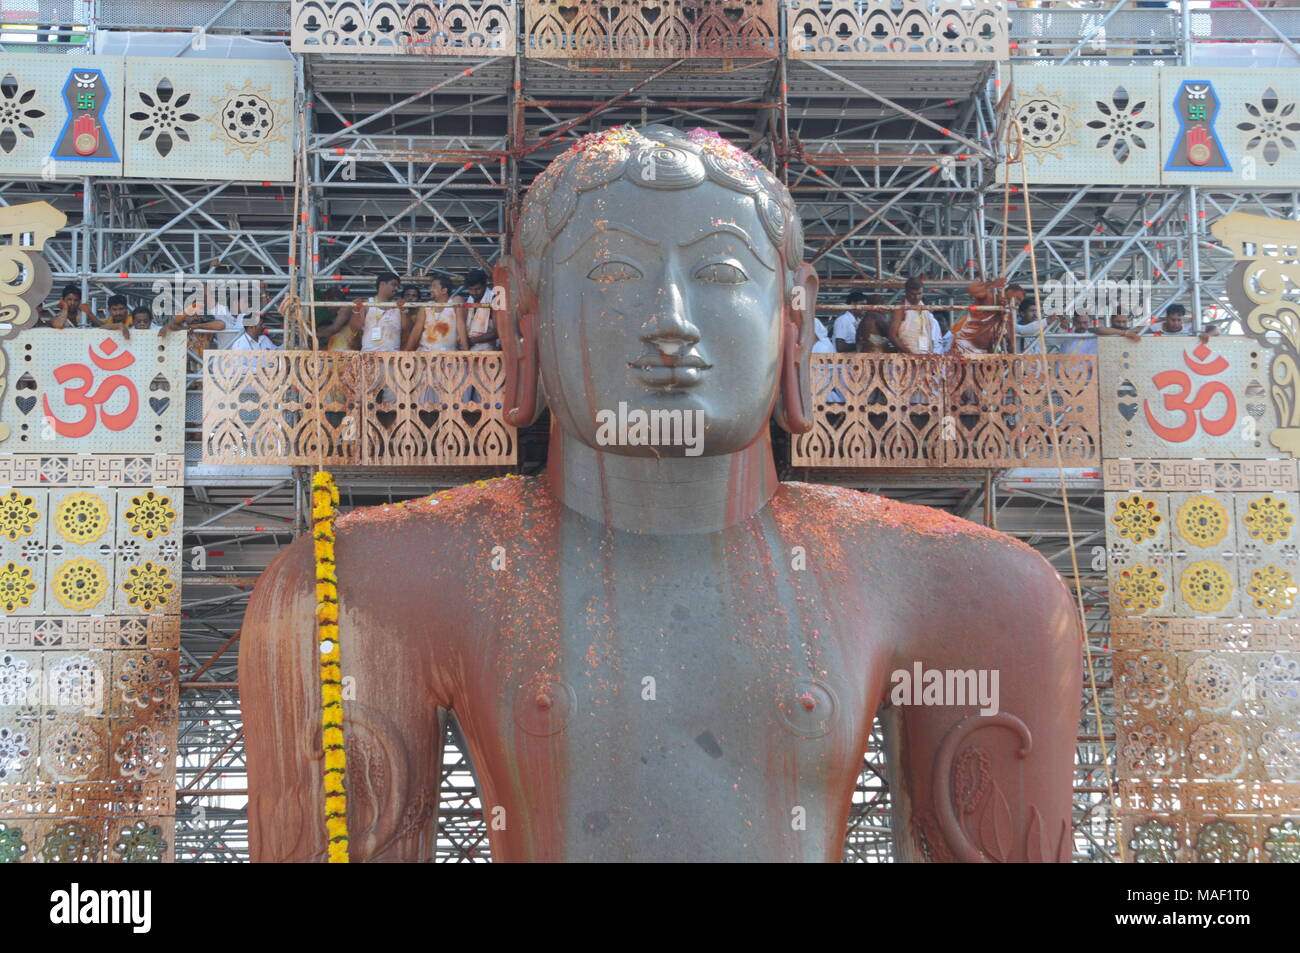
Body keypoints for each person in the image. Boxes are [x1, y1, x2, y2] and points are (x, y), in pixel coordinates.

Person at [241, 124, 1082, 864]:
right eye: (611, 271)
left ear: (796, 315)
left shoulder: (969, 588)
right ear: (521, 319)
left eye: (719, 271)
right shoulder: (366, 585)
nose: (670, 316)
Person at [405, 275, 468, 353]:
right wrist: (406, 352)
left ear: (444, 290)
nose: (431, 289)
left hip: (448, 356)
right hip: (425, 354)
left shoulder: (454, 303)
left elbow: (461, 326)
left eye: (434, 286)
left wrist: (466, 351)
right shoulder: (426, 306)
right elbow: (416, 330)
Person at [890, 276, 943, 354]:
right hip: (908, 356)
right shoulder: (900, 309)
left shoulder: (924, 308)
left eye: (919, 293)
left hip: (926, 354)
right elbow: (892, 335)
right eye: (913, 294)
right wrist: (909, 353)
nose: (916, 297)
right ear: (906, 292)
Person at [360, 272, 404, 353]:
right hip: (368, 357)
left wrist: (404, 311)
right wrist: (356, 310)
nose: (396, 289)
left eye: (398, 286)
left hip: (392, 359)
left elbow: (407, 331)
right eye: (394, 285)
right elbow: (355, 328)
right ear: (382, 284)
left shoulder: (399, 307)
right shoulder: (367, 304)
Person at [463, 269, 498, 351]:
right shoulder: (470, 298)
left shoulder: (494, 299)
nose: (474, 292)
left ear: (485, 285)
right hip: (470, 349)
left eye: (477, 289)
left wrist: (471, 341)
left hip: (488, 350)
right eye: (471, 289)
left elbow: (498, 332)